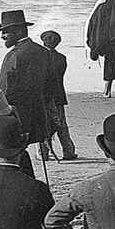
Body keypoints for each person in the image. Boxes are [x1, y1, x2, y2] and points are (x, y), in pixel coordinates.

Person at [0, 9, 52, 148]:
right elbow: (50, 85)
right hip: (38, 114)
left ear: (19, 31)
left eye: (5, 32)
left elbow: (4, 88)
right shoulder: (43, 52)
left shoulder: (14, 56)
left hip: (16, 115)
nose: (2, 36)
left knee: (13, 153)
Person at [38, 30, 77, 160]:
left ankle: (43, 153)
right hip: (58, 95)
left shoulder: (38, 58)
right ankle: (68, 151)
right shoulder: (61, 58)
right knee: (61, 125)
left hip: (44, 96)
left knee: (44, 124)